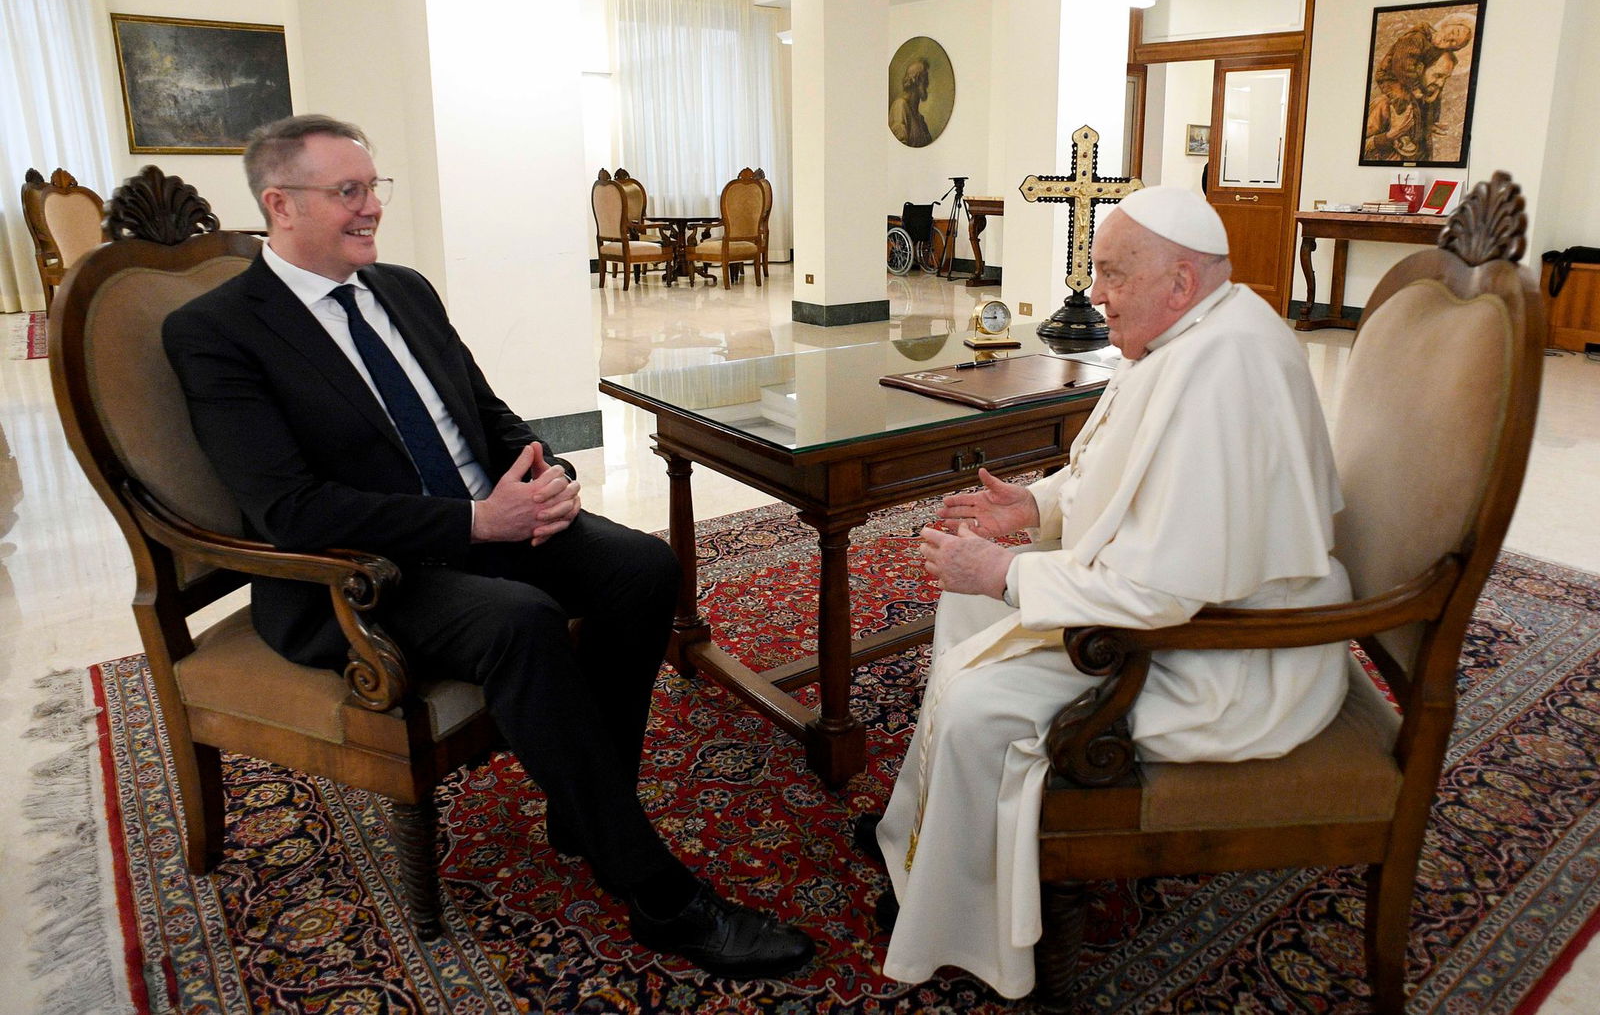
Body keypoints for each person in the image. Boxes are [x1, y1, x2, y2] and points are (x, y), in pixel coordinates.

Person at [162, 114, 814, 980]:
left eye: (373, 188)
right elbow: (292, 510)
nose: (372, 210)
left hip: (484, 519)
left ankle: (589, 804)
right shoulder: (219, 330)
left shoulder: (403, 289)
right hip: (359, 574)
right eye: (347, 192)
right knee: (521, 619)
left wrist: (546, 473)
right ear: (279, 204)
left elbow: (482, 412)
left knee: (642, 567)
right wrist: (477, 525)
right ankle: (659, 895)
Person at [869, 187, 1352, 999]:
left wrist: (1007, 571)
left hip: (1227, 656)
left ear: (1181, 281)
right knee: (966, 606)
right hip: (1186, 607)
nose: (1095, 293)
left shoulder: (1222, 371)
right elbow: (1119, 475)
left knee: (985, 693)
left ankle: (962, 917)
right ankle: (930, 834)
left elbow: (1161, 595)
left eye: (1112, 274)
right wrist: (1036, 507)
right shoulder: (1192, 334)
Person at [889, 57, 933, 148]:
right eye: (925, 78)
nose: (928, 83)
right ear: (916, 80)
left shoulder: (920, 120)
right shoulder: (900, 106)